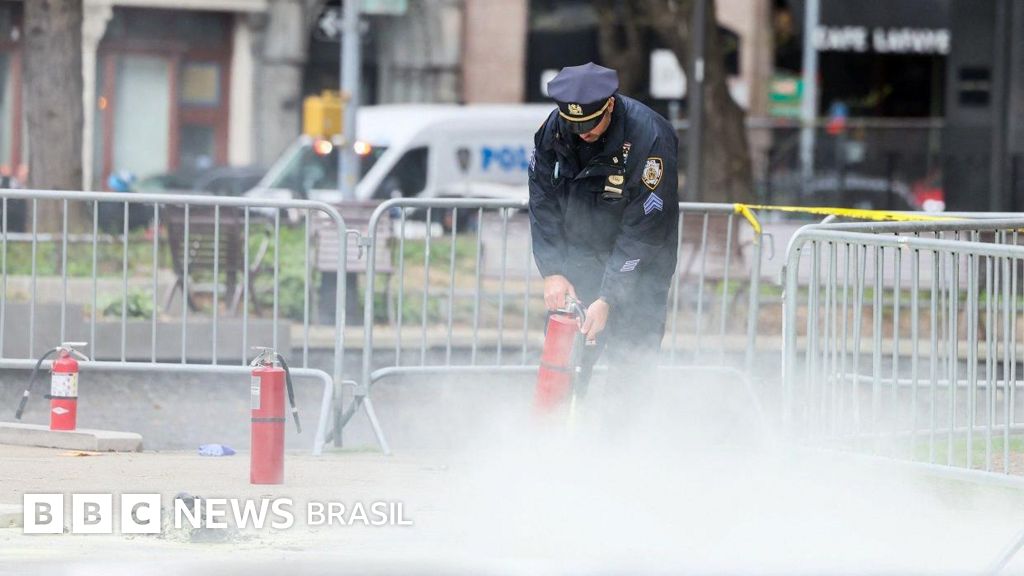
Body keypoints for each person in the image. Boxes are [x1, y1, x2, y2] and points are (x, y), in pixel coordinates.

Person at [529, 62, 679, 388]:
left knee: (631, 371)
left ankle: (621, 436)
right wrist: (553, 270)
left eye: (593, 123)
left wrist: (609, 297)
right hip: (579, 260)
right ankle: (555, 434)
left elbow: (646, 225)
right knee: (563, 365)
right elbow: (542, 201)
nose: (584, 132)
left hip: (640, 269)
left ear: (610, 104)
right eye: (575, 123)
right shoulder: (554, 130)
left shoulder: (649, 137)